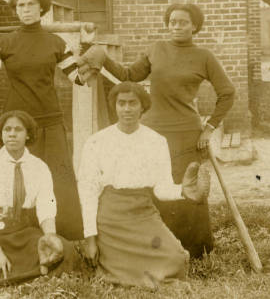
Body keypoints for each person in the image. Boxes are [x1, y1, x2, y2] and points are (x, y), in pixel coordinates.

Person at [78, 3, 235, 257]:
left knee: (186, 189)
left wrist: (209, 128)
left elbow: (227, 93)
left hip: (187, 135)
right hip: (152, 132)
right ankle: (159, 246)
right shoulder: (156, 50)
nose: (176, 26)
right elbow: (129, 75)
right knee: (156, 188)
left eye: (183, 22)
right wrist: (103, 57)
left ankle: (195, 250)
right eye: (172, 21)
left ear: (194, 26)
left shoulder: (204, 56)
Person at [0, 0, 94, 240]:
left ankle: (63, 238)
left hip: (50, 120)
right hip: (17, 123)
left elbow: (79, 78)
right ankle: (17, 236)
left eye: (31, 4)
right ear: (15, 10)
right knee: (14, 180)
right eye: (20, 5)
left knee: (58, 181)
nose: (26, 10)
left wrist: (86, 44)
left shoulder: (56, 42)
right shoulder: (5, 42)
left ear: (42, 8)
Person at [77, 82, 208, 289]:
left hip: (143, 214)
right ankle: (122, 271)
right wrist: (90, 238)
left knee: (176, 258)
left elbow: (161, 188)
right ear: (114, 106)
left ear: (142, 106)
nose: (127, 109)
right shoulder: (97, 141)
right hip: (111, 218)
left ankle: (131, 273)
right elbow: (88, 192)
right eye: (121, 103)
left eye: (132, 103)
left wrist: (182, 191)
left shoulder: (156, 141)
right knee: (109, 263)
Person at [0, 110, 77, 283]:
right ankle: (30, 270)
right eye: (7, 129)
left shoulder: (39, 166)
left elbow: (46, 208)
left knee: (66, 249)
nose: (12, 134)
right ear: (1, 134)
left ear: (28, 134)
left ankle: (32, 268)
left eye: (18, 129)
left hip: (24, 233)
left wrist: (49, 239)